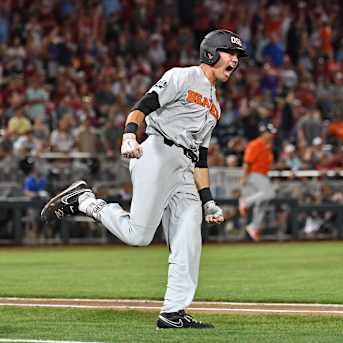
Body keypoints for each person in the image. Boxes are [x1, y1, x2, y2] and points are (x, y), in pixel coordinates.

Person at [40, 29, 248, 329]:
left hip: (184, 169)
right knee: (138, 236)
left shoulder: (216, 105)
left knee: (189, 236)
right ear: (212, 53)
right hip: (158, 153)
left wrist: (208, 200)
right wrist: (128, 135)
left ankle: (173, 312)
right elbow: (143, 105)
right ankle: (86, 202)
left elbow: (200, 155)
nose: (235, 60)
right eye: (230, 53)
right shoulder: (182, 76)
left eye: (238, 56)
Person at [239, 122, 276, 241]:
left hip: (263, 175)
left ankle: (254, 227)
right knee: (269, 194)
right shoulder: (255, 144)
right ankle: (245, 202)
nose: (271, 135)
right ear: (264, 133)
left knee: (262, 202)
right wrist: (244, 177)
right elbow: (247, 162)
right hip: (254, 174)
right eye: (269, 133)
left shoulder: (267, 146)